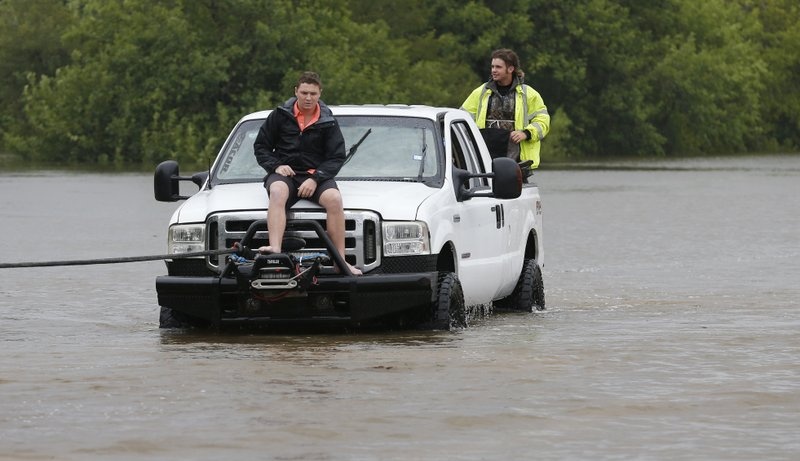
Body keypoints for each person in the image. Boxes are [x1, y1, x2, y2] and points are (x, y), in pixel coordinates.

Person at [253, 71, 361, 275]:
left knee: (335, 199)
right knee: (277, 191)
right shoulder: (279, 115)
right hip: (286, 174)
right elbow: (261, 146)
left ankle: (340, 261)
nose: (308, 98)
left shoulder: (328, 120)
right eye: (304, 93)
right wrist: (276, 166)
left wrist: (316, 178)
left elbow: (336, 156)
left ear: (320, 93)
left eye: (313, 93)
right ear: (296, 91)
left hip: (316, 175)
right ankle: (275, 249)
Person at [461, 48, 550, 169]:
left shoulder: (529, 94)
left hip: (516, 162)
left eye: (498, 67)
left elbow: (543, 121)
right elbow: (462, 118)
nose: (493, 70)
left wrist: (526, 133)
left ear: (510, 69)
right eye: (492, 67)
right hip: (484, 159)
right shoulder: (480, 92)